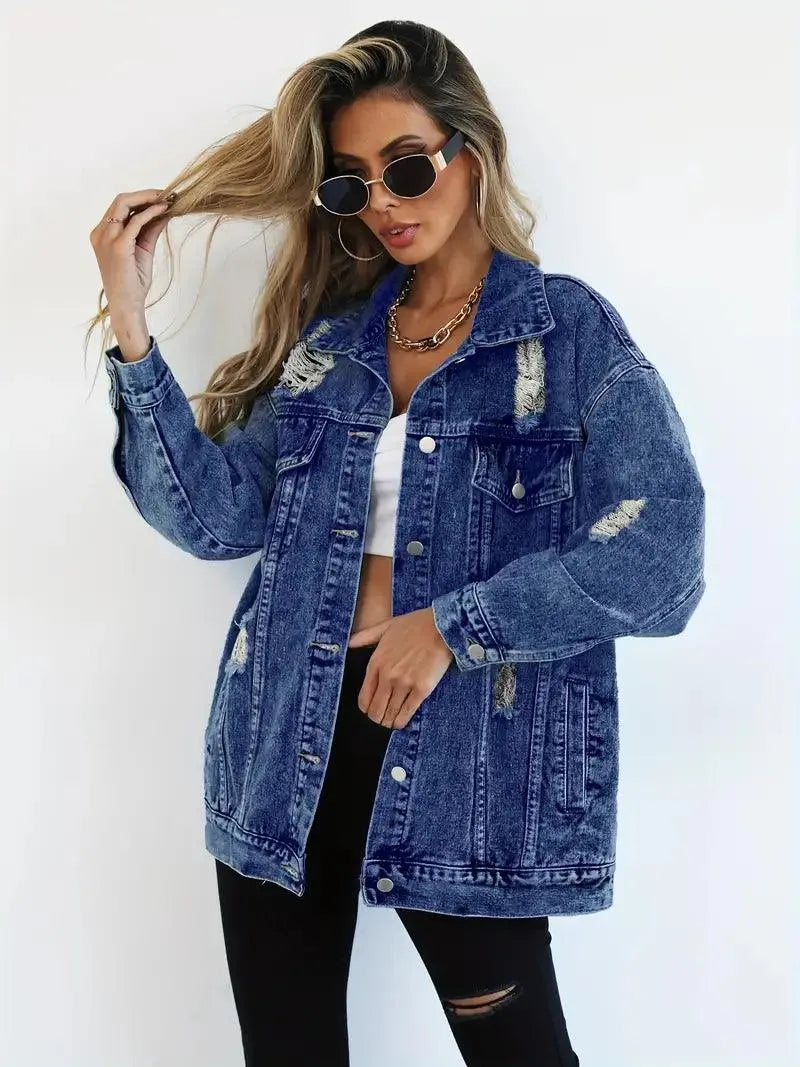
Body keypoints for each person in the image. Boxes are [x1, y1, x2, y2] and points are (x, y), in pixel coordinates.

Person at [88, 19, 705, 1067]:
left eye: (407, 166)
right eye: (351, 183)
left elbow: (666, 556)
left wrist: (453, 626)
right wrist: (131, 323)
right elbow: (214, 519)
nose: (382, 200)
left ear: (471, 151)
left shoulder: (565, 336)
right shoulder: (331, 347)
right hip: (283, 739)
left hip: (470, 754)